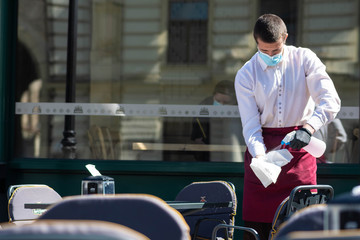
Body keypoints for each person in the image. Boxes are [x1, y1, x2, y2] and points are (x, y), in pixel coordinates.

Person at [234, 14, 341, 240]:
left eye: (275, 50)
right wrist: (262, 160)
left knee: (303, 224)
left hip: (300, 148)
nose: (271, 56)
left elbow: (331, 100)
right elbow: (251, 127)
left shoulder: (305, 59)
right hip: (262, 151)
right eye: (264, 51)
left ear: (285, 37)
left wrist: (309, 128)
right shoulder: (246, 73)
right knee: (258, 230)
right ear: (256, 42)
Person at [191, 80, 238, 161]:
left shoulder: (241, 113)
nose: (221, 105)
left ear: (234, 102)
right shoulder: (202, 111)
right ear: (213, 97)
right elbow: (196, 138)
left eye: (226, 102)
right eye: (218, 101)